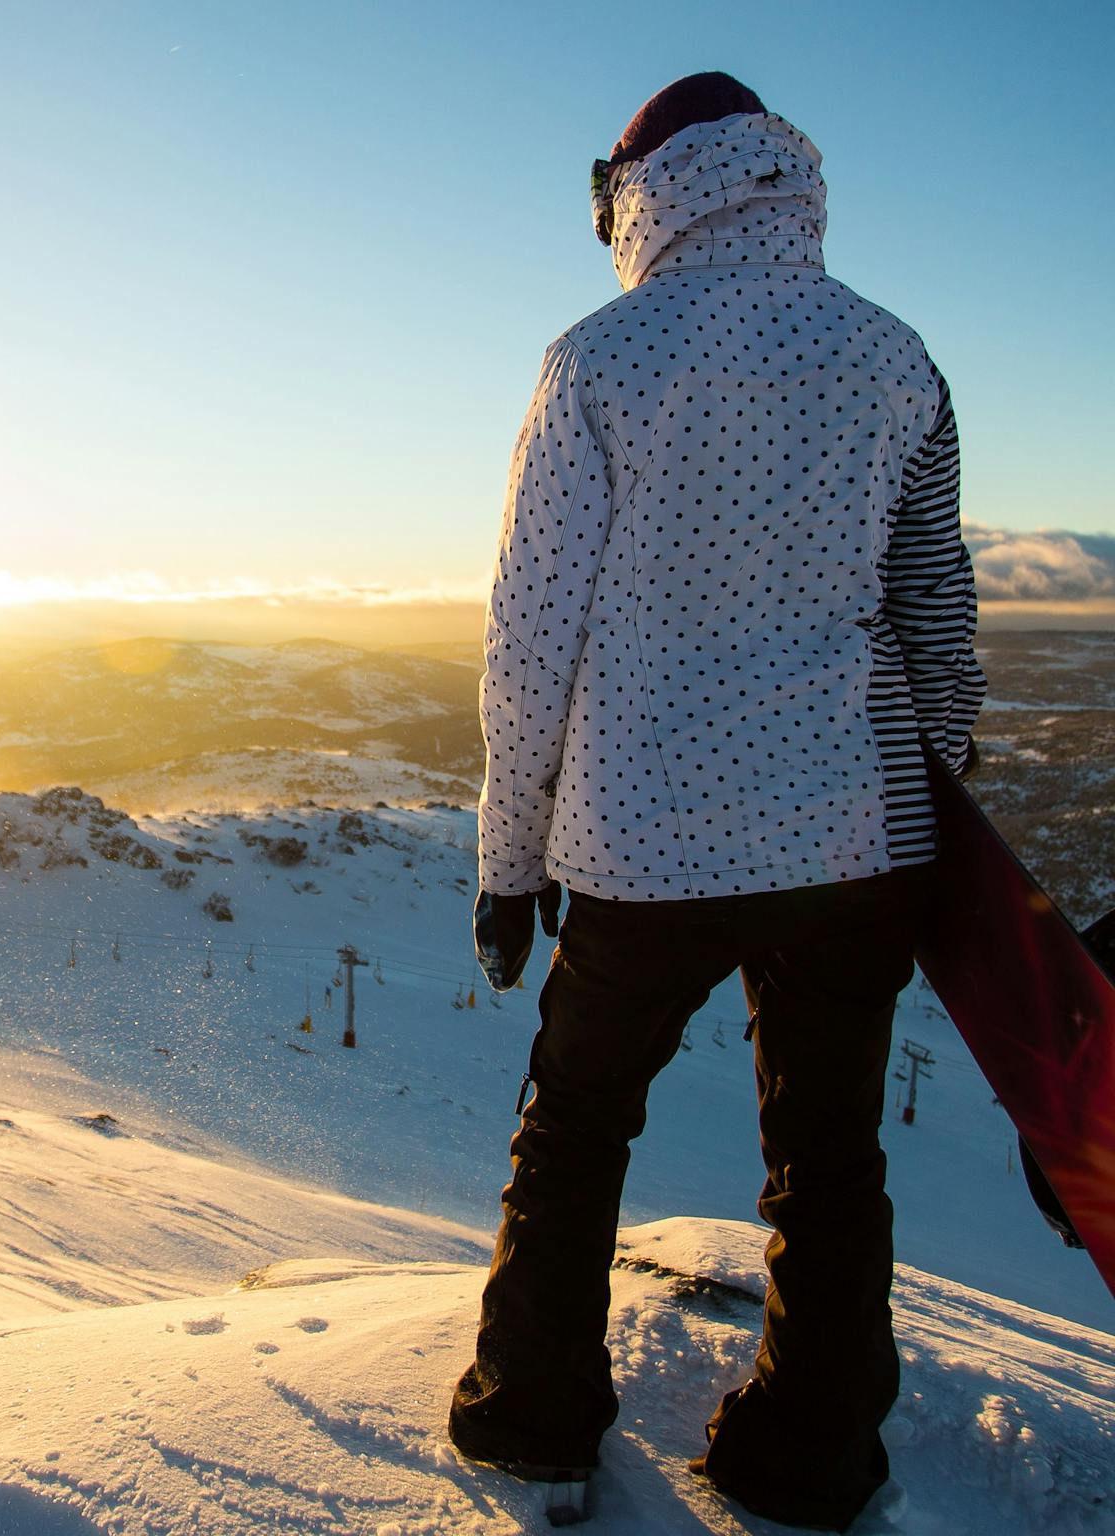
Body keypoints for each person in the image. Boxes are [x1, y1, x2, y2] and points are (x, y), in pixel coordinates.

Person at [447, 72, 986, 1532]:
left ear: (644, 189)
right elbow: (935, 609)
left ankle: (536, 1419)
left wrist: (509, 863)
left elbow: (530, 633)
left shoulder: (599, 361)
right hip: (850, 835)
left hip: (643, 837)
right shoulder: (894, 355)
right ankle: (811, 1458)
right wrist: (944, 801)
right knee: (830, 1157)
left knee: (575, 1127)